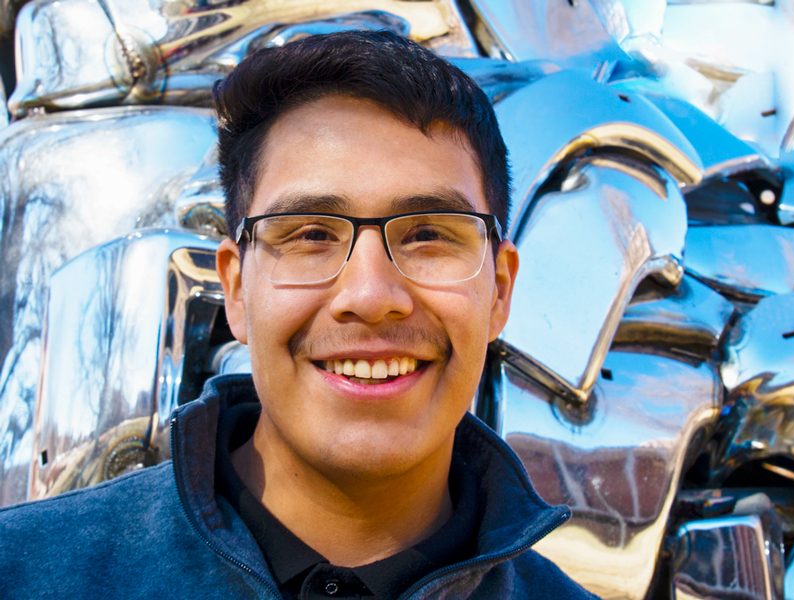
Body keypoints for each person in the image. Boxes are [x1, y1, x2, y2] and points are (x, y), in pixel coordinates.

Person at [0, 30, 599, 600]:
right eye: (312, 233)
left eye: (426, 235)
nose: (369, 295)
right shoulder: (23, 573)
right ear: (235, 288)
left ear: (499, 289)